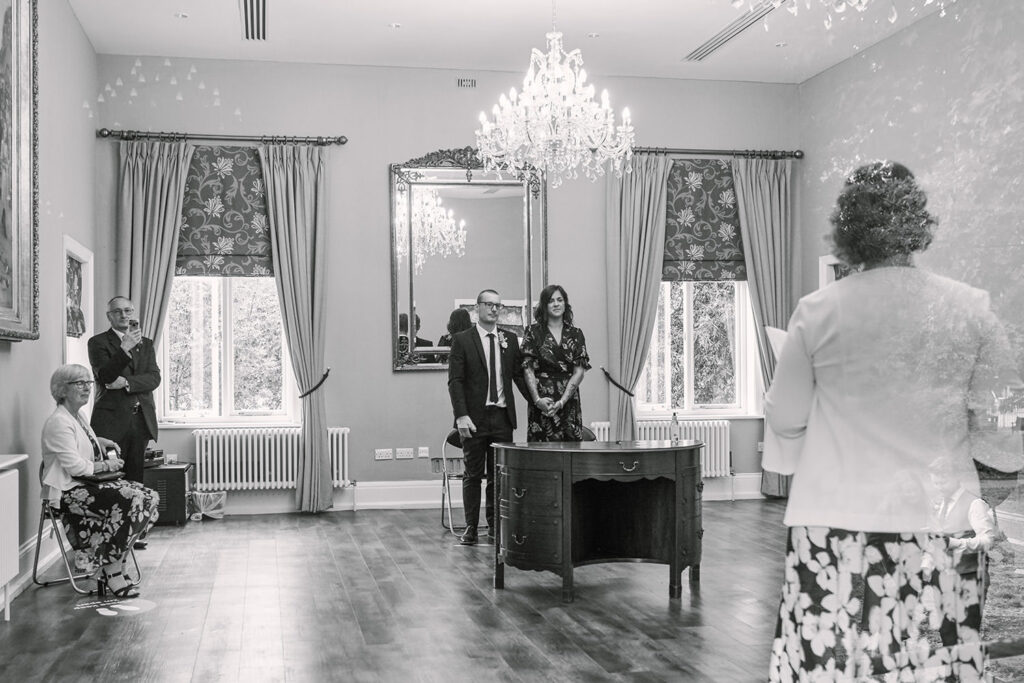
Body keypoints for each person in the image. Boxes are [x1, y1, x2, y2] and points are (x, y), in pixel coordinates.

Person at [763, 162, 1023, 681]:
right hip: (940, 519)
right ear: (916, 223)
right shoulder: (969, 307)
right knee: (935, 662)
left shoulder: (818, 310)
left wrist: (806, 446)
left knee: (829, 664)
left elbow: (784, 416)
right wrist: (989, 481)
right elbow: (1006, 418)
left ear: (849, 231)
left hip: (832, 522)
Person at [41, 364, 159, 598]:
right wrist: (106, 465)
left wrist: (99, 440)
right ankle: (113, 571)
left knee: (150, 498)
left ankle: (114, 563)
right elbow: (76, 466)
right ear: (62, 390)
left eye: (88, 382)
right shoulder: (58, 422)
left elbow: (82, 444)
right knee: (132, 500)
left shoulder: (79, 416)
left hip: (88, 485)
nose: (87, 387)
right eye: (79, 383)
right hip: (69, 491)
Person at [447, 289, 528, 546]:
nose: (494, 309)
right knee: (473, 475)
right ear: (477, 308)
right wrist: (461, 415)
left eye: (498, 305)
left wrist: (536, 400)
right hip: (473, 418)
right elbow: (455, 382)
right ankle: (471, 526)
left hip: (502, 418)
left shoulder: (510, 340)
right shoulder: (462, 340)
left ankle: (495, 526)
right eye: (489, 304)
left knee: (498, 475)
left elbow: (518, 377)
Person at [88, 296, 161, 549]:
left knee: (135, 476)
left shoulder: (147, 344)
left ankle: (135, 533)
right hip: (110, 422)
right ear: (109, 316)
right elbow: (106, 375)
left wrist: (128, 383)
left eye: (127, 310)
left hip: (140, 420)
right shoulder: (97, 342)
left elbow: (153, 378)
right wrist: (124, 349)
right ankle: (110, 534)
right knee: (111, 478)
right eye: (117, 312)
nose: (123, 315)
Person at [521, 285, 590, 442]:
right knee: (541, 453)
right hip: (541, 400)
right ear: (544, 305)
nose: (556, 304)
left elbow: (579, 371)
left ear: (565, 304)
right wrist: (537, 400)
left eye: (560, 300)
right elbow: (527, 369)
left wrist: (562, 402)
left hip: (569, 400)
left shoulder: (576, 334)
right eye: (551, 301)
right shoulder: (532, 332)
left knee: (571, 453)